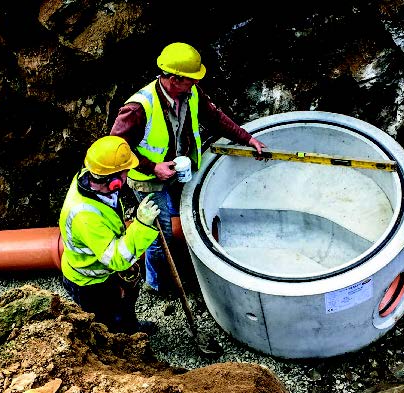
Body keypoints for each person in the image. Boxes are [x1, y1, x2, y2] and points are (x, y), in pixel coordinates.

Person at [109, 41, 266, 295]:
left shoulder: (190, 94)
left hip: (179, 170)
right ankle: (157, 284)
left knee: (186, 216)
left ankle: (181, 263)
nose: (195, 83)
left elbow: (215, 118)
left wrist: (246, 139)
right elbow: (115, 148)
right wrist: (152, 166)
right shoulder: (138, 108)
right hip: (149, 179)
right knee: (158, 235)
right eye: (190, 80)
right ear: (173, 78)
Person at [59, 136, 161, 335]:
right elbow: (117, 259)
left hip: (102, 275)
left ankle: (132, 330)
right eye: (125, 172)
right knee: (108, 325)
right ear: (113, 180)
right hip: (89, 284)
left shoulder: (90, 179)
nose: (127, 175)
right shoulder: (85, 216)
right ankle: (125, 351)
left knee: (121, 309)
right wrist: (141, 225)